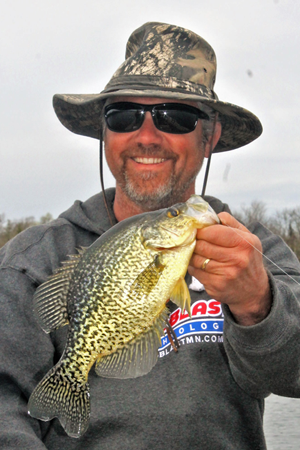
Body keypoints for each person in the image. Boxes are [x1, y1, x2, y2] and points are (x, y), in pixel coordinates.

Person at [1, 21, 300, 450]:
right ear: (105, 133)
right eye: (123, 116)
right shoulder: (31, 260)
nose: (146, 136)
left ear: (210, 136)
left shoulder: (255, 252)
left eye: (174, 117)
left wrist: (257, 304)